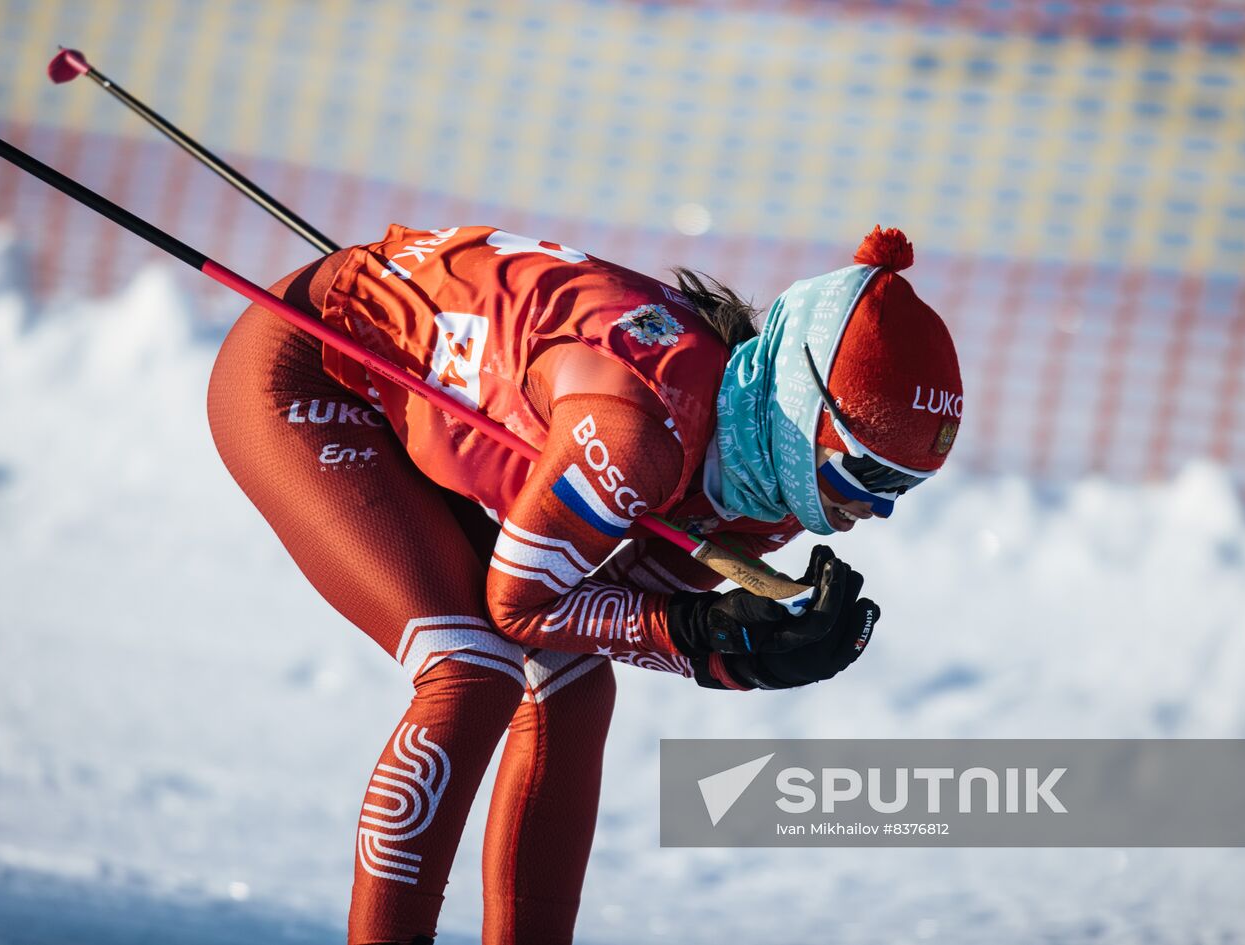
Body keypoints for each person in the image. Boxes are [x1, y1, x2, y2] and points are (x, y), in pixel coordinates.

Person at [206, 223, 962, 945]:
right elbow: (525, 605)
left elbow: (608, 605)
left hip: (413, 403)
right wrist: (701, 635)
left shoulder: (770, 479)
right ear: (803, 413)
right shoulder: (639, 427)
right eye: (866, 472)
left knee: (571, 687)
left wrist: (741, 651)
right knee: (471, 668)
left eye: (905, 486)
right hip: (310, 365)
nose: (874, 508)